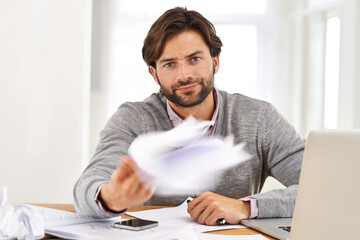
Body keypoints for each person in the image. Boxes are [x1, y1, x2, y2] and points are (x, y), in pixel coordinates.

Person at [73, 7, 304, 226]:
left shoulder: (259, 118)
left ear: (215, 62)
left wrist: (246, 207)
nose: (184, 75)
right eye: (170, 64)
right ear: (154, 74)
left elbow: (321, 185)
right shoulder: (133, 119)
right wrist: (112, 197)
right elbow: (86, 188)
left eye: (194, 59)